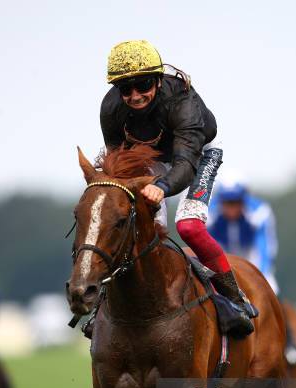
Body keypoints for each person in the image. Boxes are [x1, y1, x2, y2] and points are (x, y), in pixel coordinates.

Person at [100, 40, 254, 337]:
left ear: (158, 80)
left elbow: (184, 163)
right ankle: (109, 304)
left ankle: (234, 301)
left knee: (189, 228)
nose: (134, 95)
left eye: (142, 84)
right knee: (136, 229)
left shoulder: (183, 101)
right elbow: (117, 161)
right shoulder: (111, 108)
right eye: (125, 89)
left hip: (196, 155)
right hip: (151, 159)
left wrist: (161, 186)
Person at [208, 175, 296, 364]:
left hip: (251, 258)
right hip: (222, 257)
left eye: (235, 201)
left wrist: (260, 274)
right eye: (227, 202)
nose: (231, 207)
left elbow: (266, 248)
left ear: (244, 199)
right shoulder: (210, 213)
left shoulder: (260, 212)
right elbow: (209, 244)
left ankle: (290, 342)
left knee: (272, 289)